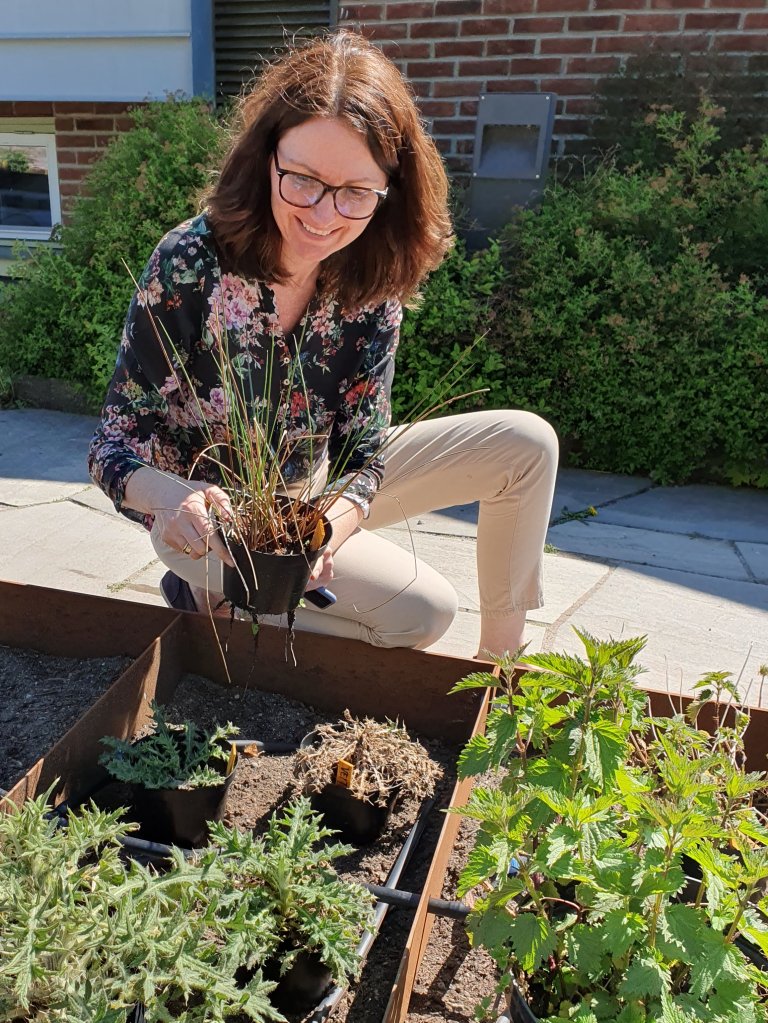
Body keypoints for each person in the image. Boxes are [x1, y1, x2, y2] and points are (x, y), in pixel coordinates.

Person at [88, 30, 558, 658]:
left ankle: (501, 677)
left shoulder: (373, 271)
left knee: (526, 444)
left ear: (390, 188)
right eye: (303, 179)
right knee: (422, 615)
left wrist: (324, 535)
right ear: (267, 160)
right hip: (207, 524)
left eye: (356, 192)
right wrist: (177, 499)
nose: (324, 214)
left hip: (314, 495)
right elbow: (113, 446)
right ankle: (212, 603)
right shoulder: (189, 263)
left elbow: (364, 452)